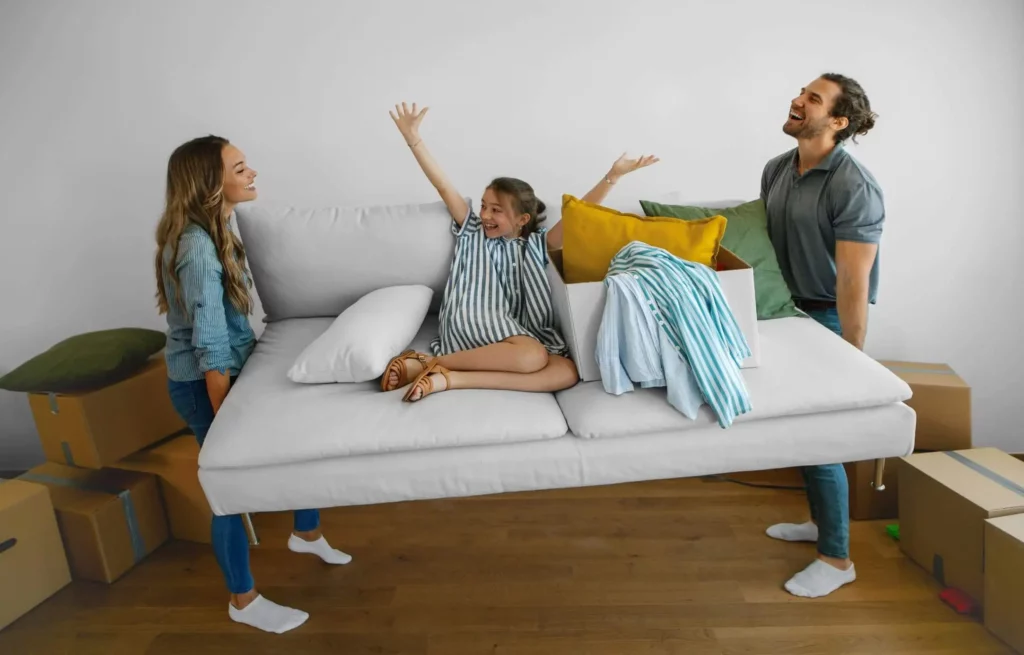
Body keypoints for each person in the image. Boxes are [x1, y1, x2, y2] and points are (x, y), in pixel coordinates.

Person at [154, 135, 353, 633]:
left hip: (238, 367)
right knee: (232, 488)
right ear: (209, 182)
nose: (252, 173)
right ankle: (242, 600)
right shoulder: (198, 249)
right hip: (209, 382)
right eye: (240, 168)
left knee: (295, 445)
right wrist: (226, 419)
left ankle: (305, 533)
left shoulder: (216, 227)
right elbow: (210, 343)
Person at [381, 102, 659, 401]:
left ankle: (450, 378)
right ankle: (430, 362)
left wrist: (612, 176)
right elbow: (443, 185)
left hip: (515, 331)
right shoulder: (472, 232)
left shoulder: (538, 244)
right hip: (473, 318)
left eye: (496, 210)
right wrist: (414, 139)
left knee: (566, 371)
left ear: (522, 219)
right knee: (532, 357)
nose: (485, 214)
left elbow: (581, 214)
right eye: (484, 206)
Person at [760, 74, 884, 598]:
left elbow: (854, 283)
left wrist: (850, 360)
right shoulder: (776, 169)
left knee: (823, 437)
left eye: (813, 98)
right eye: (801, 91)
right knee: (803, 434)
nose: (797, 100)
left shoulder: (853, 184)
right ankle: (820, 524)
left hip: (829, 318)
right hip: (786, 314)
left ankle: (836, 559)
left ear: (838, 122)